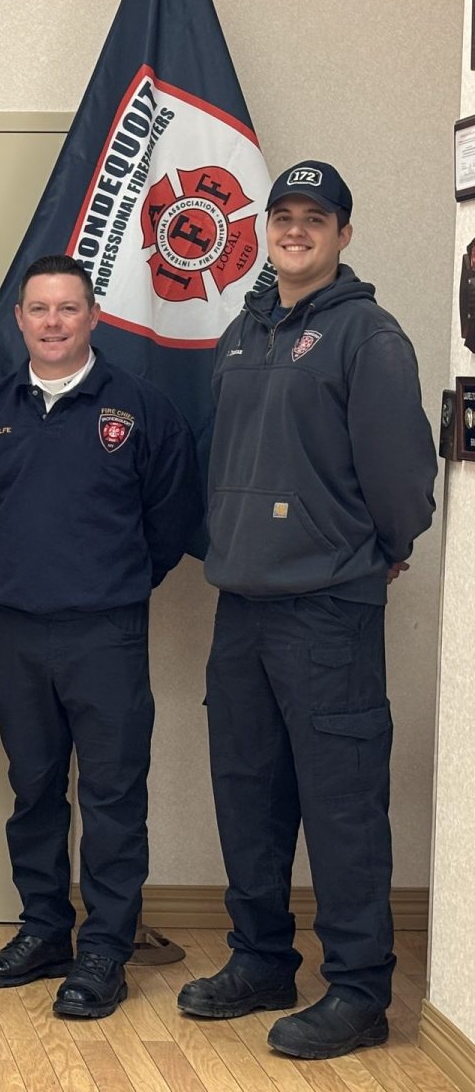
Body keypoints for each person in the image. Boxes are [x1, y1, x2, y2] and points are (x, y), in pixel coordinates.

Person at [177, 162, 437, 1060]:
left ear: (342, 235)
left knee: (341, 803)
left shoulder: (368, 335)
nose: (296, 230)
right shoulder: (244, 331)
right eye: (283, 216)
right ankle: (261, 959)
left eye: (314, 218)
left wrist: (383, 549)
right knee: (248, 794)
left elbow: (405, 476)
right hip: (242, 603)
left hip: (327, 608)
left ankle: (361, 990)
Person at [0, 254, 201, 1018]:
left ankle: (104, 952)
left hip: (107, 635)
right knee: (33, 792)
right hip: (18, 636)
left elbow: (171, 523)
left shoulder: (141, 407)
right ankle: (45, 931)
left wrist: (106, 586)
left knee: (112, 794)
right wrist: (36, 582)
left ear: (93, 317)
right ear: (18, 321)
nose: (53, 322)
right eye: (39, 309)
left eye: (68, 308)